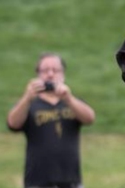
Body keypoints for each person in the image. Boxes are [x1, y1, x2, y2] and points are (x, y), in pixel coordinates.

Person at [7, 52, 96, 188]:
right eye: (45, 70)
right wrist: (27, 98)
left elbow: (90, 118)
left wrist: (68, 99)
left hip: (70, 181)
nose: (50, 74)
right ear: (38, 74)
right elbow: (12, 124)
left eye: (55, 70)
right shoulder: (31, 104)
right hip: (37, 181)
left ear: (63, 74)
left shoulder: (71, 102)